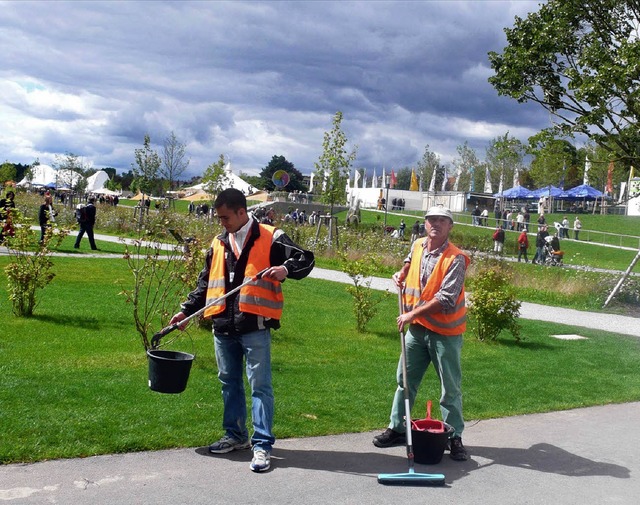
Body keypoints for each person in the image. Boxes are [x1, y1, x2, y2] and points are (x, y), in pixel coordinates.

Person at [168, 188, 315, 473]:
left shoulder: (271, 236)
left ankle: (262, 445)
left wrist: (285, 269)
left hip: (254, 327)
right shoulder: (218, 242)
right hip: (222, 326)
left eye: (225, 217)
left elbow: (306, 259)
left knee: (260, 386)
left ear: (241, 212)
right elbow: (204, 284)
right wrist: (186, 311)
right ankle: (236, 436)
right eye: (219, 217)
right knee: (229, 383)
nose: (221, 222)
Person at [372, 206, 470, 462]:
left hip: (444, 333)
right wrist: (401, 272)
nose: (436, 223)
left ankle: (454, 437)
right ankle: (397, 428)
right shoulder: (417, 245)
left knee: (450, 387)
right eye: (431, 219)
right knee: (404, 380)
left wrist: (411, 315)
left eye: (442, 220)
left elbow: (446, 298)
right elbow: (409, 260)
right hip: (417, 331)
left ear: (450, 226)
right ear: (425, 224)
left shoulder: (456, 258)